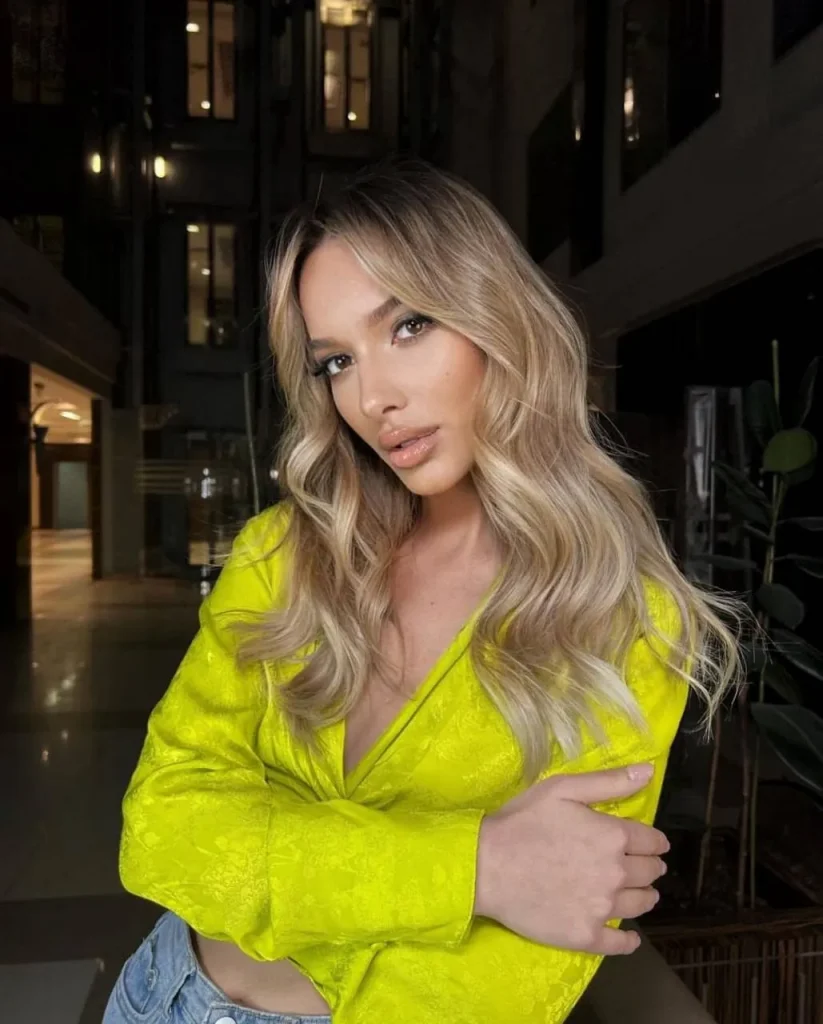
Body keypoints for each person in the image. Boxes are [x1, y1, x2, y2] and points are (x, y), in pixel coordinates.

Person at [103, 161, 741, 1024]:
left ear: (497, 318)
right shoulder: (286, 554)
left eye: (408, 325)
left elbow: (512, 971)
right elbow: (160, 834)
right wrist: (477, 867)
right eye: (336, 361)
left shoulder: (620, 618)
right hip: (160, 990)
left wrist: (282, 854)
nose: (373, 398)